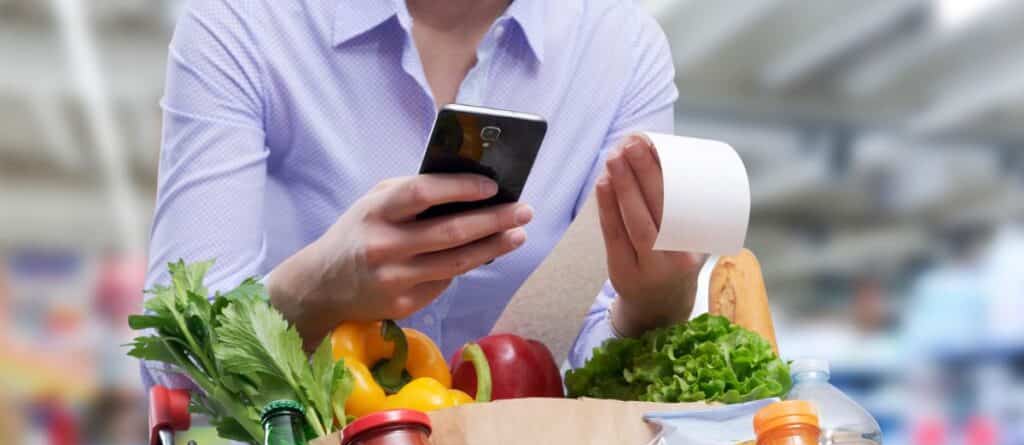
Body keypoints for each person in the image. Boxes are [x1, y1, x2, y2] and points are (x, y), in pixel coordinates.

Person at [146, 0, 706, 380]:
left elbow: (588, 353)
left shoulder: (621, 48)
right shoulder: (243, 24)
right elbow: (173, 355)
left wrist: (649, 305)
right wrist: (314, 290)